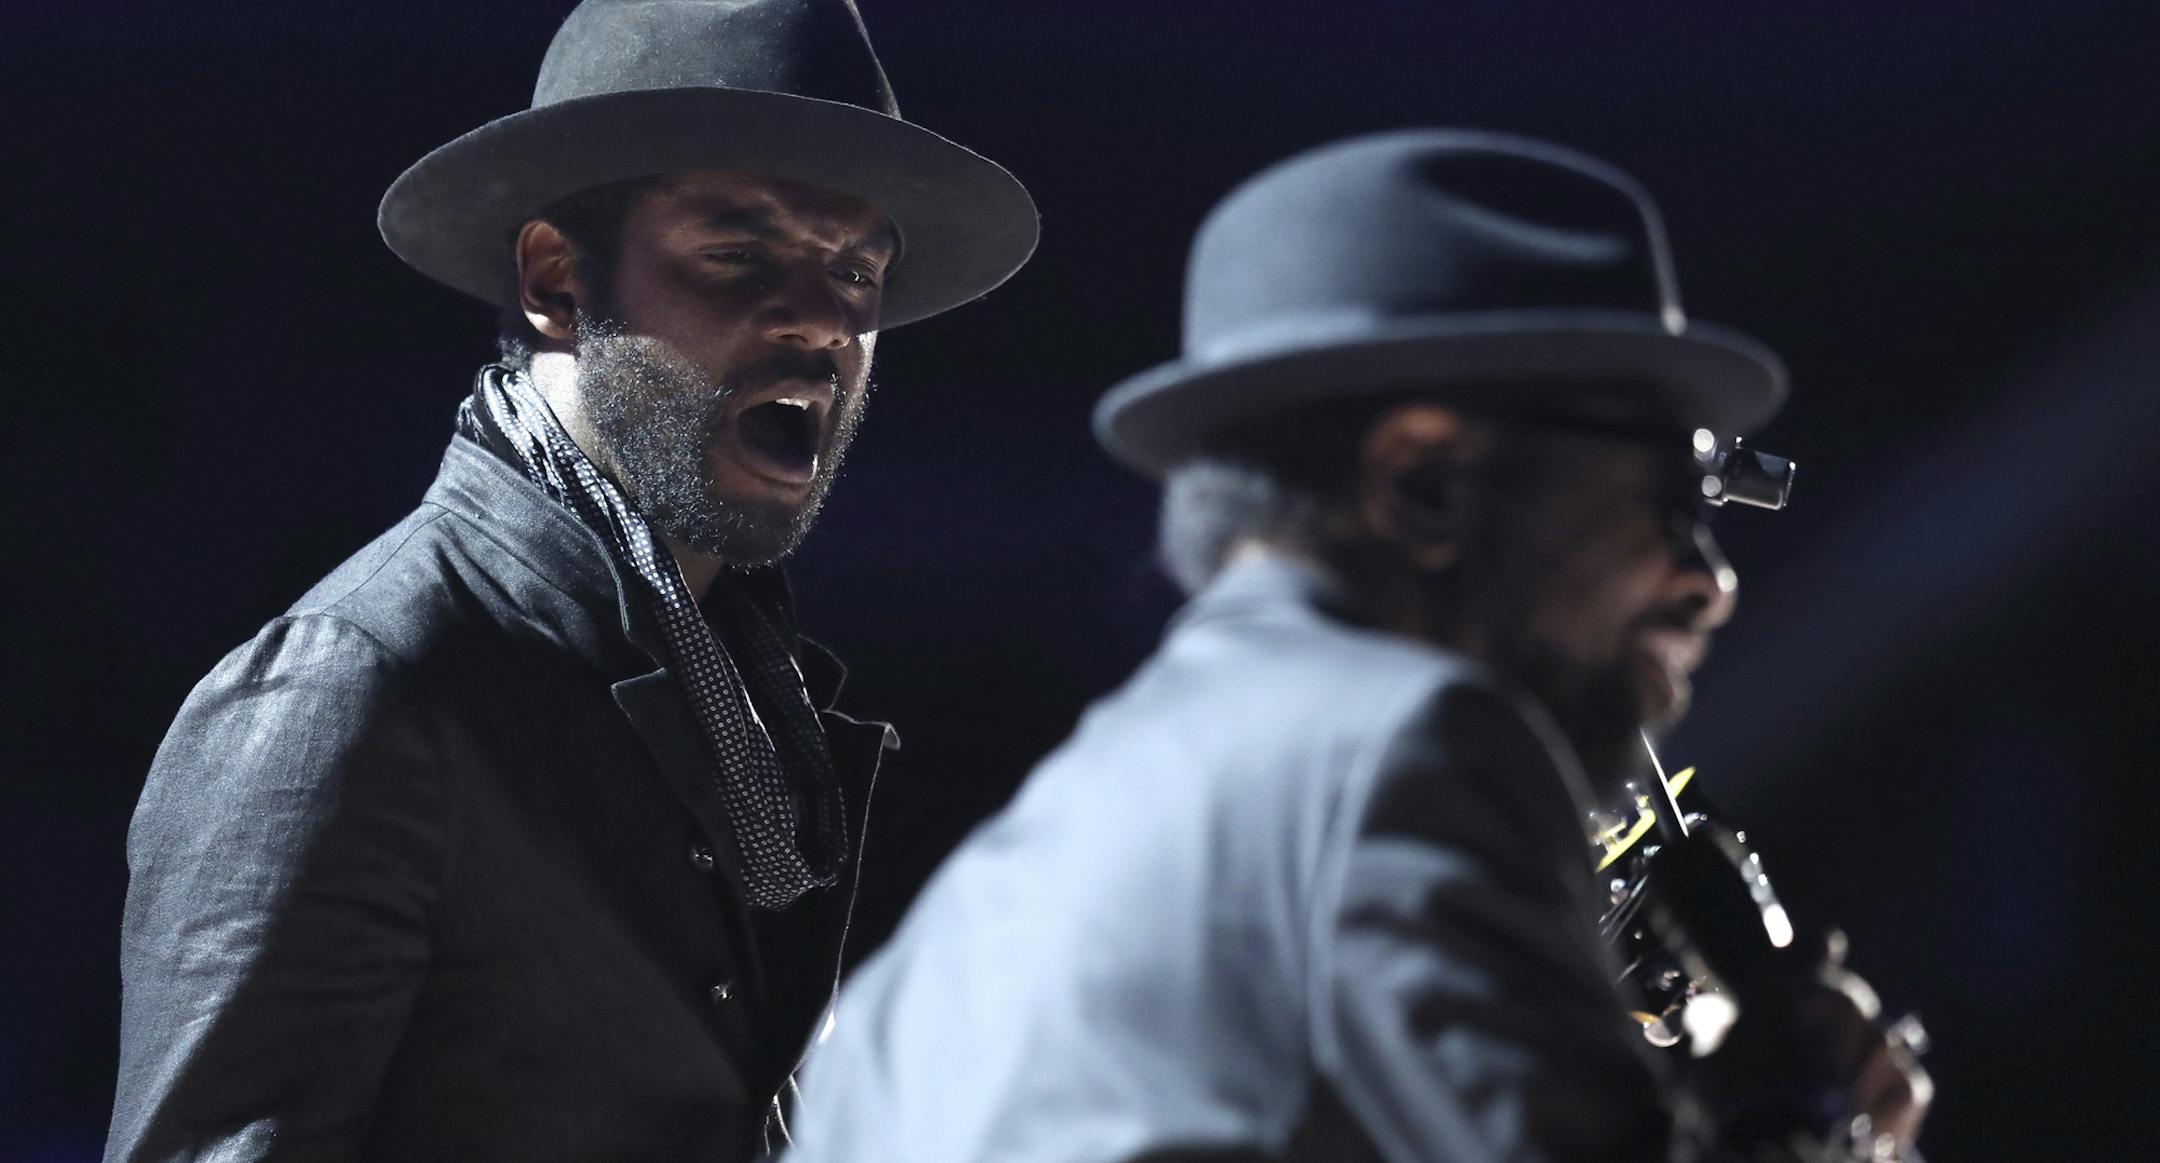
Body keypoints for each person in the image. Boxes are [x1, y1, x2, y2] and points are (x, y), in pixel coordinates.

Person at [782, 130, 1929, 1161]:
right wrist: (1788, 1105)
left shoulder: (965, 932)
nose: (1711, 582)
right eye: (1667, 496)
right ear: (1421, 482)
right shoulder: (1403, 749)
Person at [103, 1, 1036, 1159]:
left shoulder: (749, 701)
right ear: (555, 278)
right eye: (738, 251)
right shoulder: (360, 687)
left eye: (856, 267)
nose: (821, 318)